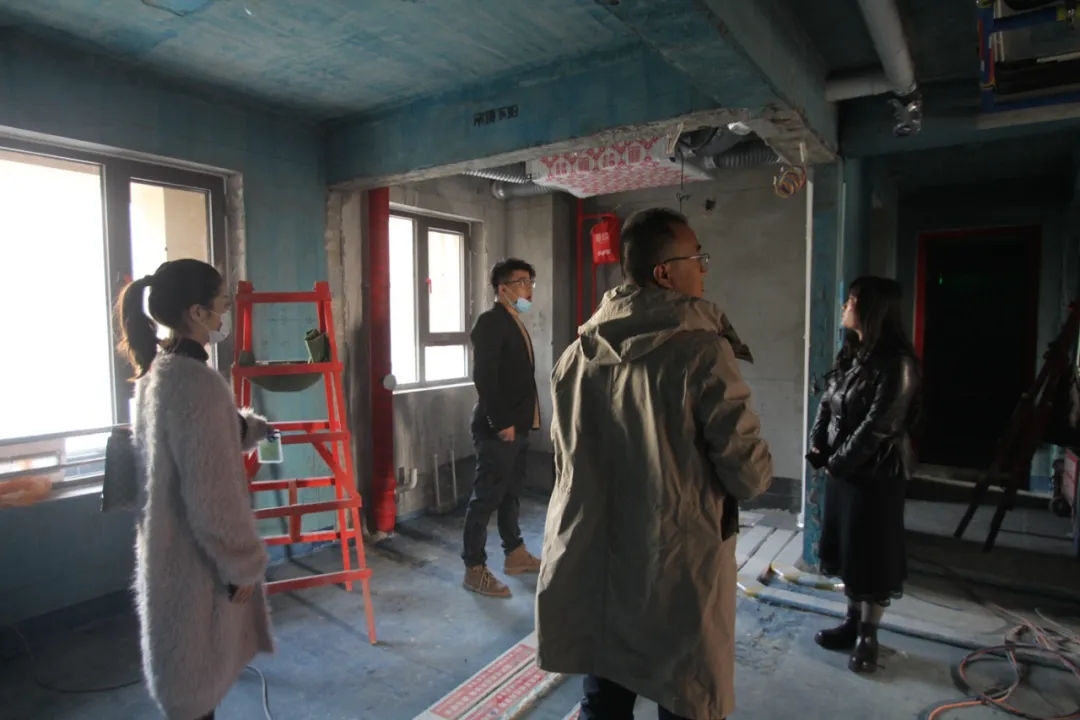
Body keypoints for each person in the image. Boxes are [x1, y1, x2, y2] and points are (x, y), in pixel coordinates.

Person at [536, 208, 773, 720]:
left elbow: (566, 461)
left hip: (595, 554)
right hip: (675, 560)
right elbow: (749, 476)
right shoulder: (703, 353)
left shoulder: (576, 355)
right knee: (683, 688)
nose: (704, 269)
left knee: (605, 693)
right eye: (697, 258)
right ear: (665, 272)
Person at [117, 259, 275, 720]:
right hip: (196, 560)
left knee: (186, 681)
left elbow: (194, 440)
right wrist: (242, 564)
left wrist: (250, 429)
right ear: (197, 312)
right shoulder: (197, 384)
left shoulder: (158, 373)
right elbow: (212, 493)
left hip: (167, 551)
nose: (226, 310)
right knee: (194, 687)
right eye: (221, 302)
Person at [806, 275, 920, 674]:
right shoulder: (854, 353)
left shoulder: (898, 363)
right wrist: (818, 446)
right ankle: (852, 622)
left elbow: (878, 426)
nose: (845, 306)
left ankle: (869, 635)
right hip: (844, 471)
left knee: (872, 554)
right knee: (849, 549)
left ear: (872, 309)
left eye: (852, 300)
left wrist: (836, 462)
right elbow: (827, 401)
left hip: (876, 475)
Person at [462, 258, 544, 597]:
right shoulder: (491, 323)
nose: (528, 289)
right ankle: (474, 568)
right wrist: (502, 422)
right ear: (502, 288)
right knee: (486, 498)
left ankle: (515, 553)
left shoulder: (513, 321)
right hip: (498, 428)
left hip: (518, 426)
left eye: (530, 282)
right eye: (521, 282)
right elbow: (485, 377)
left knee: (511, 493)